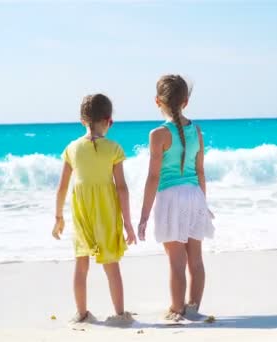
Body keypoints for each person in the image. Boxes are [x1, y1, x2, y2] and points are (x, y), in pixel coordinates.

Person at [52, 93, 136, 323]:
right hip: (106, 213)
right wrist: (128, 223)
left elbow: (61, 188)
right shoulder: (114, 148)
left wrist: (58, 216)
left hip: (81, 213)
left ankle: (81, 313)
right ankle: (119, 314)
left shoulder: (71, 148)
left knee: (81, 263)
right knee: (111, 265)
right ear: (109, 120)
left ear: (82, 121)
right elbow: (122, 189)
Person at [138, 75, 215, 322]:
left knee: (176, 262)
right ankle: (193, 307)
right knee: (196, 259)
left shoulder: (158, 134)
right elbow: (200, 171)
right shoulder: (197, 130)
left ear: (157, 101)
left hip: (171, 199)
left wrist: (144, 215)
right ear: (186, 101)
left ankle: (177, 309)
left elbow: (153, 177)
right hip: (194, 196)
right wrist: (204, 202)